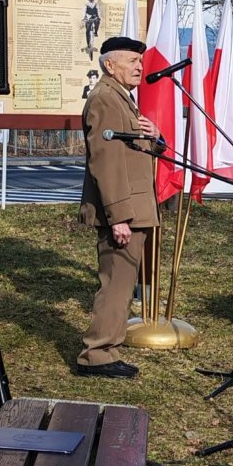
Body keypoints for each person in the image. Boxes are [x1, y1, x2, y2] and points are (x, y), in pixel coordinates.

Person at [77, 36, 165, 379]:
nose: (140, 67)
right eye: (132, 61)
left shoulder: (122, 99)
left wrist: (155, 136)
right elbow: (105, 162)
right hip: (123, 211)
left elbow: (136, 151)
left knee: (124, 284)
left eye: (140, 62)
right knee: (115, 283)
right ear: (110, 65)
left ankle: (108, 348)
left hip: (135, 207)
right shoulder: (104, 99)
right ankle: (96, 354)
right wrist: (119, 217)